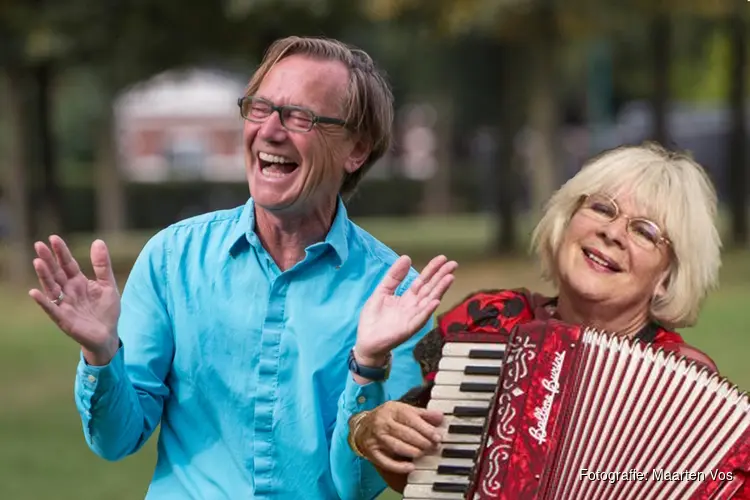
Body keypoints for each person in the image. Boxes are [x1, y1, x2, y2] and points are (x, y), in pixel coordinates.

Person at [27, 36, 458, 499]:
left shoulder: (397, 298)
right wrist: (102, 355)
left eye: (300, 116)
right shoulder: (172, 260)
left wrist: (368, 367)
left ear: (356, 148)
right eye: (260, 108)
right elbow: (115, 440)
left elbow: (357, 486)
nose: (270, 130)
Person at [347, 142, 749, 497]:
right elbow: (418, 462)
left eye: (644, 231)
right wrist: (371, 427)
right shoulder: (491, 322)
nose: (612, 233)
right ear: (566, 220)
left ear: (666, 278)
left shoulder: (683, 385)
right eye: (602, 208)